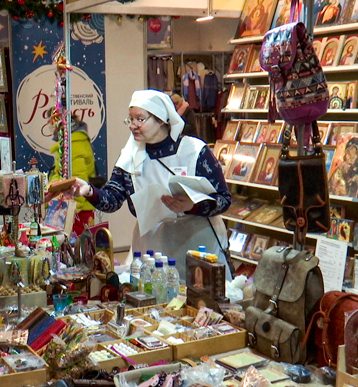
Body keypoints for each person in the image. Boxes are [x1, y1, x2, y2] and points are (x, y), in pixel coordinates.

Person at [58, 90, 232, 281]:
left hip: (198, 246)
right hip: (152, 249)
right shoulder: (130, 155)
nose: (133, 125)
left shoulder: (194, 150)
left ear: (161, 119)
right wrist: (89, 191)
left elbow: (224, 199)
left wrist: (192, 206)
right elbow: (112, 200)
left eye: (140, 119)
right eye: (130, 119)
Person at [49, 114, 96, 235]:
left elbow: (78, 181)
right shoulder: (72, 144)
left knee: (77, 247)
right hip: (77, 208)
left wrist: (72, 212)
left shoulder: (73, 147)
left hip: (78, 212)